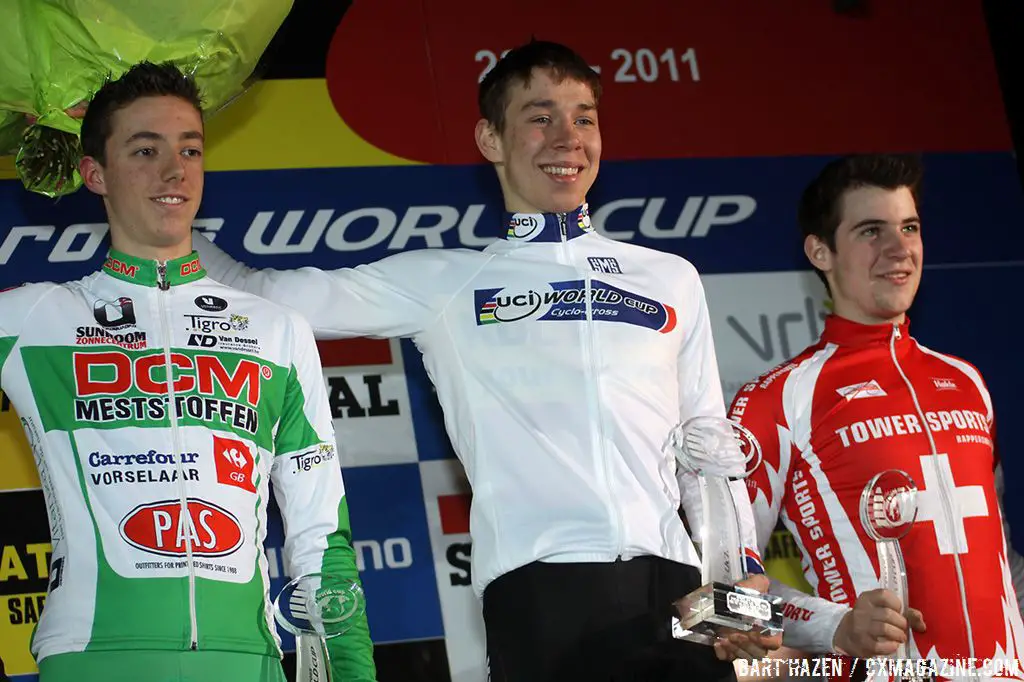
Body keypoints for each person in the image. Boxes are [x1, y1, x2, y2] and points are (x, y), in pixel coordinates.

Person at [192, 40, 778, 681]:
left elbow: (709, 450)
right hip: (538, 597)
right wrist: (171, 222)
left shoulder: (670, 278)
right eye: (540, 116)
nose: (568, 138)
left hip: (677, 594)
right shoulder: (448, 284)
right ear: (490, 138)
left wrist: (740, 582)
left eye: (584, 118)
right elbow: (264, 295)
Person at [0, 62, 376, 682]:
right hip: (94, 657)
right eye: (145, 150)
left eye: (190, 150)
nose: (174, 171)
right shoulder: (36, 318)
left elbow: (320, 533)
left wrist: (354, 672)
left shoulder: (277, 331)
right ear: (94, 172)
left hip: (248, 660)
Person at [721, 154, 1024, 679]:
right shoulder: (779, 399)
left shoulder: (967, 382)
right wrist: (833, 626)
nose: (899, 248)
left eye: (909, 227)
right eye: (871, 231)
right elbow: (718, 597)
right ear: (820, 252)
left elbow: (1003, 565)